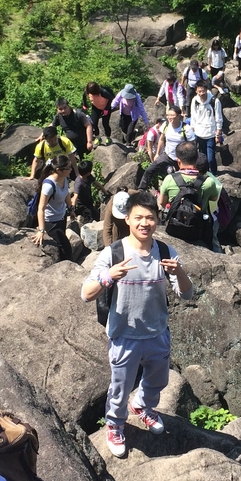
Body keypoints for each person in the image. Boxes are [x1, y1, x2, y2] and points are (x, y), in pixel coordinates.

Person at [81, 192, 194, 458]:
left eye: (150, 218)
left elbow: (187, 294)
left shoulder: (166, 252)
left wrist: (179, 273)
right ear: (128, 219)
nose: (145, 223)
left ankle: (143, 406)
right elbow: (86, 293)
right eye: (139, 217)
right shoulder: (114, 253)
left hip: (157, 333)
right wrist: (109, 276)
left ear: (157, 220)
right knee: (120, 386)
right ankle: (115, 424)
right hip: (124, 335)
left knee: (158, 380)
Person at [158, 141, 219, 250]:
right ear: (196, 159)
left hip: (175, 226)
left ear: (178, 161)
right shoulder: (208, 182)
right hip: (198, 227)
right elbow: (214, 198)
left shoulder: (169, 179)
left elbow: (162, 202)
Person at [139, 104, 195, 192]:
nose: (169, 117)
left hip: (181, 158)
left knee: (182, 179)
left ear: (179, 116)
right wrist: (157, 153)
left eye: (172, 115)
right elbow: (161, 139)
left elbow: (192, 145)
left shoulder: (186, 129)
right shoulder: (165, 125)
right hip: (167, 155)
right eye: (168, 115)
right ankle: (141, 189)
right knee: (150, 170)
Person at [32, 154, 76, 261]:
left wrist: (71, 209)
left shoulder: (65, 178)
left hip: (62, 216)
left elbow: (66, 194)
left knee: (62, 246)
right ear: (58, 170)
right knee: (67, 249)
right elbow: (41, 208)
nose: (71, 170)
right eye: (68, 168)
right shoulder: (48, 185)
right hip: (51, 222)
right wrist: (41, 230)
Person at [189, 80, 224, 175]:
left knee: (210, 158)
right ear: (196, 91)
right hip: (199, 134)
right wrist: (192, 129)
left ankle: (214, 174)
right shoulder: (195, 101)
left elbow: (219, 118)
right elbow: (193, 116)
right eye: (199, 91)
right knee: (202, 157)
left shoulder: (214, 101)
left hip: (210, 134)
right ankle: (204, 173)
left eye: (203, 91)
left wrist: (218, 134)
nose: (201, 93)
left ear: (206, 90)